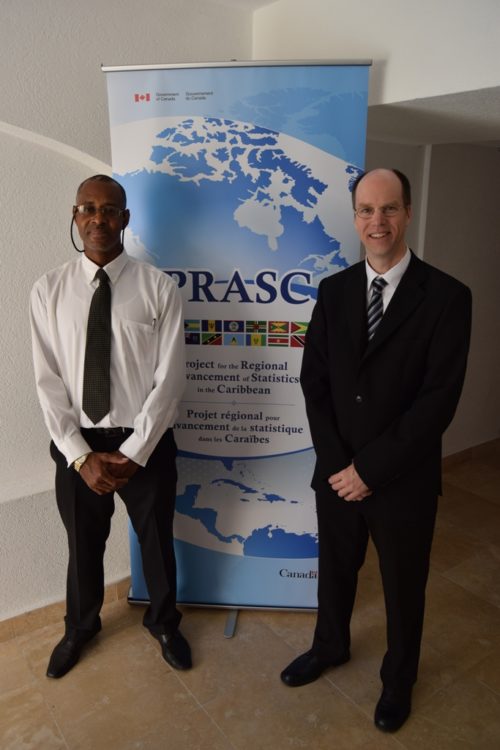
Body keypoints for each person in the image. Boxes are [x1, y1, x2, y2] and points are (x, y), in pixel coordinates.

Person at [280, 168, 472, 732]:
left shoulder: (448, 297)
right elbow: (314, 382)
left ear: (408, 212)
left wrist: (369, 468)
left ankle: (398, 679)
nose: (377, 221)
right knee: (336, 571)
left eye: (388, 209)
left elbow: (438, 401)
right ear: (355, 217)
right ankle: (329, 645)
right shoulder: (334, 291)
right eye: (366, 210)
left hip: (401, 479)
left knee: (403, 586)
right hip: (337, 473)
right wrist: (340, 464)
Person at [30, 174, 191, 678]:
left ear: (125, 219)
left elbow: (170, 378)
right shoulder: (48, 290)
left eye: (109, 209)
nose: (98, 218)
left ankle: (164, 624)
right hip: (78, 443)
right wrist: (80, 455)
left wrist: (136, 451)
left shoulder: (158, 287)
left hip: (145, 441)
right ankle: (79, 627)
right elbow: (46, 380)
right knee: (83, 545)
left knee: (156, 541)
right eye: (88, 208)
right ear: (75, 216)